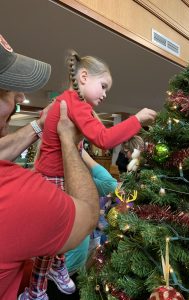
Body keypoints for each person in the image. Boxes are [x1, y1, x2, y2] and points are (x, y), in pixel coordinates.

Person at [19, 49, 157, 299]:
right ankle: (36, 290)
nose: (105, 94)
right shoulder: (75, 103)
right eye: (103, 86)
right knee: (53, 237)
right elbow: (103, 139)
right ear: (84, 77)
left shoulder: (69, 101)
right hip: (52, 179)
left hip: (58, 176)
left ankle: (57, 266)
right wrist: (137, 119)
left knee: (66, 228)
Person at [0, 34, 100, 300]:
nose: (21, 96)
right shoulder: (16, 192)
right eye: (9, 89)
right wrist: (68, 141)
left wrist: (37, 126)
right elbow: (89, 213)